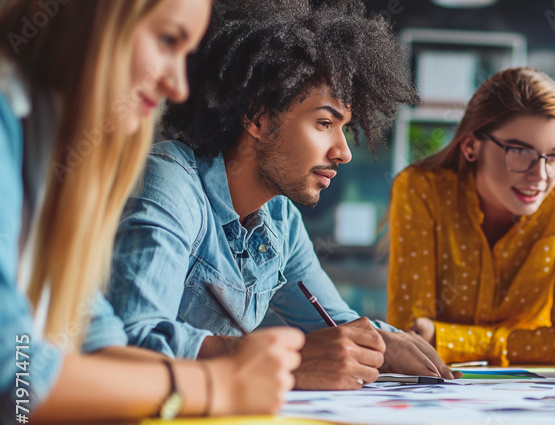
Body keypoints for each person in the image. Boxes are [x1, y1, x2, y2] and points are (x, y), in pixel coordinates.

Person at [107, 0, 455, 390]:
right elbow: (133, 340)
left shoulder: (280, 218)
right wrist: (291, 359)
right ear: (258, 118)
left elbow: (335, 322)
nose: (344, 151)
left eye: (345, 128)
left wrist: (383, 340)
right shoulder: (169, 182)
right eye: (324, 123)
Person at [0, 0, 305, 425]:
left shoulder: (53, 155)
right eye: (167, 40)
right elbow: (15, 381)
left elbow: (99, 344)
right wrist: (217, 386)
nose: (178, 86)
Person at [387, 67, 555, 367]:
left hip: (540, 395)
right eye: (519, 151)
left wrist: (446, 338)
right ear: (471, 146)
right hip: (440, 389)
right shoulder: (420, 190)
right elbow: (409, 337)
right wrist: (526, 343)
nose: (541, 175)